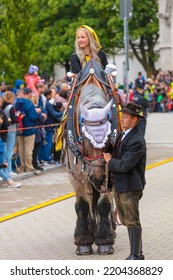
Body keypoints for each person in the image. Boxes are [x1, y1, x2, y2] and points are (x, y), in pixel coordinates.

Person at [103, 102, 146, 260]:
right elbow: (114, 150)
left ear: (135, 120)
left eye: (126, 117)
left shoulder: (137, 140)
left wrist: (109, 161)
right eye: (122, 116)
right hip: (121, 185)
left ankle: (136, 255)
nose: (122, 119)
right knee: (126, 219)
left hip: (130, 185)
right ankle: (136, 253)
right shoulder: (124, 134)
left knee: (132, 220)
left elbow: (124, 164)